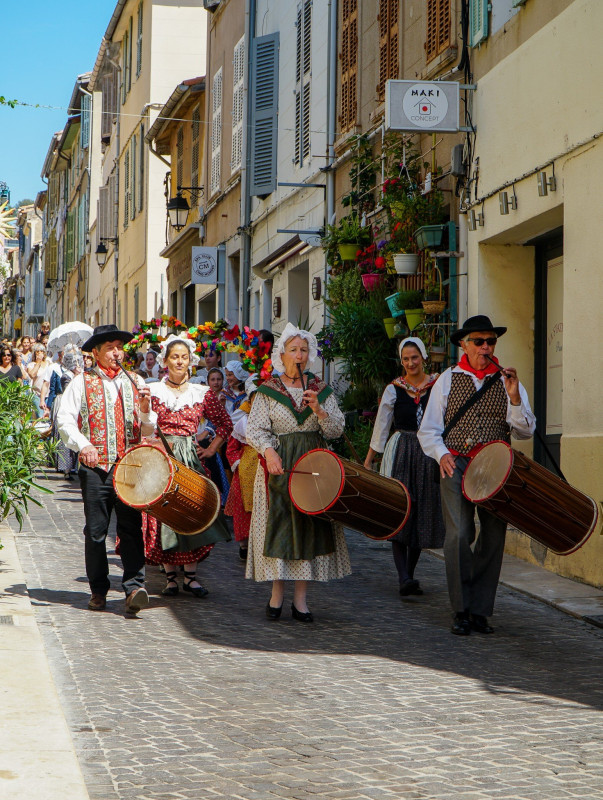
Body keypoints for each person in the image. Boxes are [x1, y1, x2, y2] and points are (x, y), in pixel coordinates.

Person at [418, 315, 536, 636]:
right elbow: (428, 429)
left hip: (497, 471)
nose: (486, 347)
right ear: (463, 344)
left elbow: (526, 430)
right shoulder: (447, 379)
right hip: (456, 464)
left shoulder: (507, 380)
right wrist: (442, 455)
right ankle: (461, 608)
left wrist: (513, 398)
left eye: (491, 341)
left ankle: (480, 610)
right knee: (458, 535)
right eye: (479, 341)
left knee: (494, 537)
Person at [245, 322, 351, 622]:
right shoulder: (268, 390)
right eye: (293, 349)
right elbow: (255, 429)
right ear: (282, 354)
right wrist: (268, 452)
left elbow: (335, 430)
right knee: (279, 526)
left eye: (304, 350)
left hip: (312, 465)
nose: (299, 354)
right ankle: (276, 595)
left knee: (308, 527)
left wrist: (319, 410)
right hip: (280, 464)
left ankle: (301, 600)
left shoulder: (320, 389)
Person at [57, 324, 155, 614]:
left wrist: (147, 408)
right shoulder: (81, 382)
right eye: (110, 347)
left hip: (130, 467)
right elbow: (65, 420)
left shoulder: (136, 381)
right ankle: (98, 590)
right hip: (96, 469)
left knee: (131, 529)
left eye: (119, 346)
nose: (117, 352)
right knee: (96, 532)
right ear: (96, 352)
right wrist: (83, 445)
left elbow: (150, 428)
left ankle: (134, 588)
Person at [143, 334, 233, 597]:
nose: (179, 361)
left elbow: (225, 424)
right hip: (163, 457)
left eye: (184, 357)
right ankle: (170, 576)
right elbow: (145, 425)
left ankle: (191, 576)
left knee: (191, 512)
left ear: (190, 360)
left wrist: (210, 449)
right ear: (165, 361)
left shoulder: (201, 392)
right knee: (165, 515)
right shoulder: (155, 391)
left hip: (191, 458)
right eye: (174, 357)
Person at [364, 337, 445, 596]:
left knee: (422, 510)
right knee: (401, 509)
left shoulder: (438, 385)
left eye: (415, 357)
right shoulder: (394, 389)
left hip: (429, 451)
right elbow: (382, 427)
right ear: (402, 362)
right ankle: (403, 577)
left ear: (423, 357)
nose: (411, 363)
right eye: (406, 359)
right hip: (401, 450)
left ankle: (409, 574)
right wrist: (369, 459)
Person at [224, 376, 263, 562]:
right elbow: (231, 448)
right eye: (257, 397)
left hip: (267, 467)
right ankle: (245, 545)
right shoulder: (242, 421)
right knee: (243, 508)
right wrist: (239, 464)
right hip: (246, 469)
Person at [51, 347, 83, 480]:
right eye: (76, 363)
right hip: (66, 405)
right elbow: (68, 391)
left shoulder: (76, 376)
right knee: (65, 438)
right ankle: (66, 468)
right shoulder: (66, 376)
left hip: (77, 409)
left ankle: (74, 466)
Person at [26, 343, 52, 416]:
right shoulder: (31, 365)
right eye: (38, 352)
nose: (40, 353)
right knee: (40, 416)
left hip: (48, 394)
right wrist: (38, 363)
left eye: (42, 351)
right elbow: (32, 375)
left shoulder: (49, 363)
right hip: (37, 394)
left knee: (49, 417)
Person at [222, 360, 250, 424]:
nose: (228, 378)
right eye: (226, 375)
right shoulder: (225, 393)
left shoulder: (247, 393)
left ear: (238, 374)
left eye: (230, 375)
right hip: (226, 427)